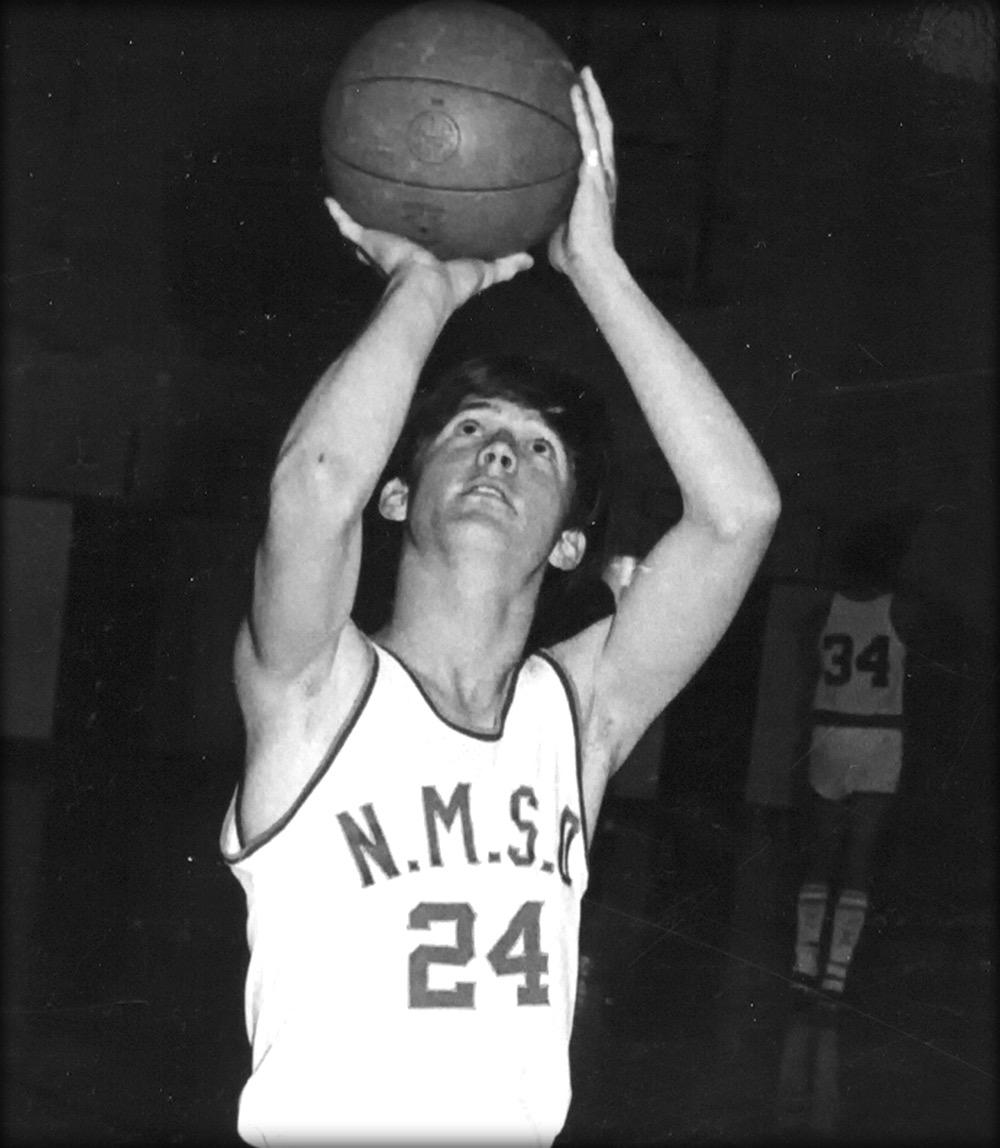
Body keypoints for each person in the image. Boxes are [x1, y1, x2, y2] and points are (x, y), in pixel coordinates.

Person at [220, 66, 780, 1146]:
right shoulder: (313, 688)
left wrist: (599, 268)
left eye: (537, 448)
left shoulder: (579, 717)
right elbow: (313, 481)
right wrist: (424, 289)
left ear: (570, 537)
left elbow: (738, 514)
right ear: (398, 491)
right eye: (468, 429)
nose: (498, 454)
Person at [791, 515, 919, 1002]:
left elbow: (809, 676)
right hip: (879, 738)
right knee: (859, 859)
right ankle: (835, 976)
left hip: (830, 730)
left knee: (822, 854)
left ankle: (804, 963)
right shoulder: (903, 611)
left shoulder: (821, 612)